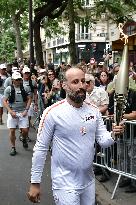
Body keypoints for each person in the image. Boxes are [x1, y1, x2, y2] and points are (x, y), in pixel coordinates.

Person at [27, 67, 124, 205]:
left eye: (83, 81)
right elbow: (41, 148)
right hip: (64, 184)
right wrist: (35, 182)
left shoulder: (94, 110)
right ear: (64, 85)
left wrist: (114, 134)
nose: (81, 86)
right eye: (75, 82)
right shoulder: (52, 113)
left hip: (88, 182)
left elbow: (103, 141)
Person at [3, 72, 32, 156]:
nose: (18, 81)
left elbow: (29, 99)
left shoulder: (25, 88)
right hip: (13, 112)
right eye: (16, 80)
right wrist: (10, 111)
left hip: (23, 112)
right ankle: (13, 147)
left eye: (19, 79)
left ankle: (24, 139)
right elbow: (4, 101)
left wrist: (26, 110)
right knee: (12, 131)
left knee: (25, 130)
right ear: (12, 80)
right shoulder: (8, 89)